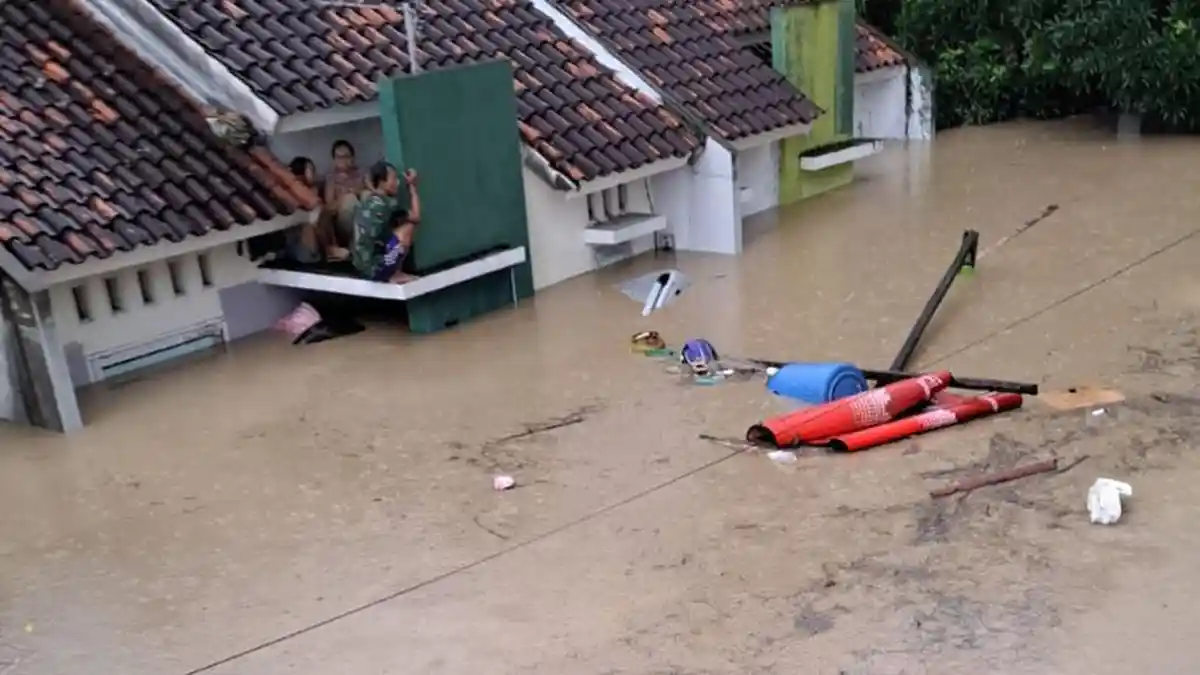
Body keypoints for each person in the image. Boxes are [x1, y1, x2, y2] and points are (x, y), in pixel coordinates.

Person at [351, 162, 421, 284]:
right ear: (382, 182)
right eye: (393, 178)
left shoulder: (369, 200)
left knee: (394, 229)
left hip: (360, 269)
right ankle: (393, 273)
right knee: (408, 228)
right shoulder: (388, 204)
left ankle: (390, 270)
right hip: (376, 269)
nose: (397, 183)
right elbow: (416, 217)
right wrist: (412, 187)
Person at [285, 157, 349, 263]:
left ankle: (331, 248)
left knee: (324, 213)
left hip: (315, 242)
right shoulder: (295, 189)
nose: (314, 173)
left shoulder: (314, 189)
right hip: (300, 247)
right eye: (311, 170)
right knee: (312, 222)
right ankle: (328, 250)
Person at [321, 140, 364, 247]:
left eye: (346, 156)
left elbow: (370, 195)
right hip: (344, 225)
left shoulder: (361, 173)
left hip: (364, 217)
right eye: (339, 157)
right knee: (349, 200)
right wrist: (344, 198)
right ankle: (359, 244)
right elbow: (330, 207)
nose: (342, 160)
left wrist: (357, 192)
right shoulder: (331, 178)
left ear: (352, 158)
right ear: (334, 160)